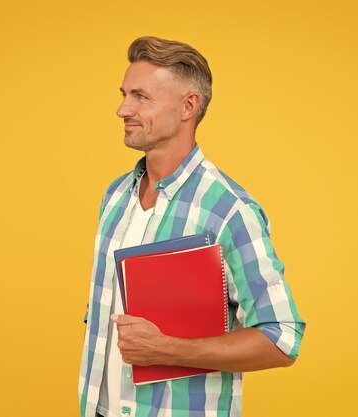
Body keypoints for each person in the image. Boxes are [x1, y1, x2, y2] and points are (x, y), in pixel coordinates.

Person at [79, 36, 305, 417]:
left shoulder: (229, 210)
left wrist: (166, 349)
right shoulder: (115, 197)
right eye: (124, 94)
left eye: (141, 97)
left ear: (188, 106)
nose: (122, 109)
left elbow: (281, 339)